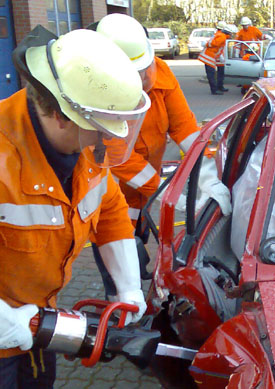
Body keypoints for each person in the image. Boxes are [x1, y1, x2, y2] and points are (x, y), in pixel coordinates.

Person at [0, 26, 149, 387]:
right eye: (101, 128)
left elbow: (110, 209)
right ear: (62, 116)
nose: (108, 138)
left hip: (35, 324)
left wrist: (128, 286)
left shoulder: (84, 151)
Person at [91, 13, 232, 297]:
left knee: (137, 251)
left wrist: (207, 178)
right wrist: (172, 196)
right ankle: (119, 307)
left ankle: (135, 271)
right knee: (118, 276)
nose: (145, 78)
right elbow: (118, 159)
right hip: (107, 202)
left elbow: (188, 131)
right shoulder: (98, 94)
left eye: (146, 69)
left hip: (141, 201)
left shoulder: (161, 74)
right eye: (136, 74)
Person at [199, 21, 233, 95]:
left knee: (212, 73)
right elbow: (214, 44)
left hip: (212, 56)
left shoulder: (220, 35)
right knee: (211, 74)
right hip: (209, 57)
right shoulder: (221, 36)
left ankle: (217, 88)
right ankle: (214, 90)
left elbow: (217, 47)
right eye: (231, 33)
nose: (232, 35)